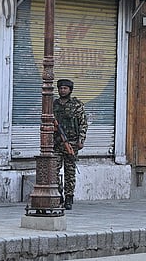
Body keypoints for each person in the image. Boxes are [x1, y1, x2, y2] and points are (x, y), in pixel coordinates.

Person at [53, 77, 87, 209]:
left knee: (70, 171)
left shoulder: (77, 105)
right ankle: (58, 194)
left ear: (70, 90)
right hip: (56, 143)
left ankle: (69, 197)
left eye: (65, 88)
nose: (63, 90)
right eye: (61, 88)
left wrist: (81, 139)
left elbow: (83, 123)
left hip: (71, 143)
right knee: (53, 171)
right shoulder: (54, 105)